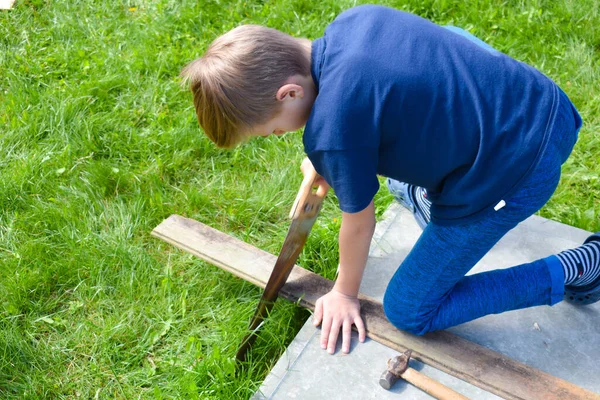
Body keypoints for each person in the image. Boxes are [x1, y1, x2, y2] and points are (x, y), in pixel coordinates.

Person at [180, 4, 599, 356]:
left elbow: (359, 222)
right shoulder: (354, 20)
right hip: (544, 106)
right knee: (398, 172)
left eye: (271, 130)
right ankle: (432, 199)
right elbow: (436, 48)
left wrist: (345, 294)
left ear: (289, 93)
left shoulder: (333, 132)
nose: (278, 136)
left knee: (410, 310)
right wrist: (329, 157)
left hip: (517, 171)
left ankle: (580, 267)